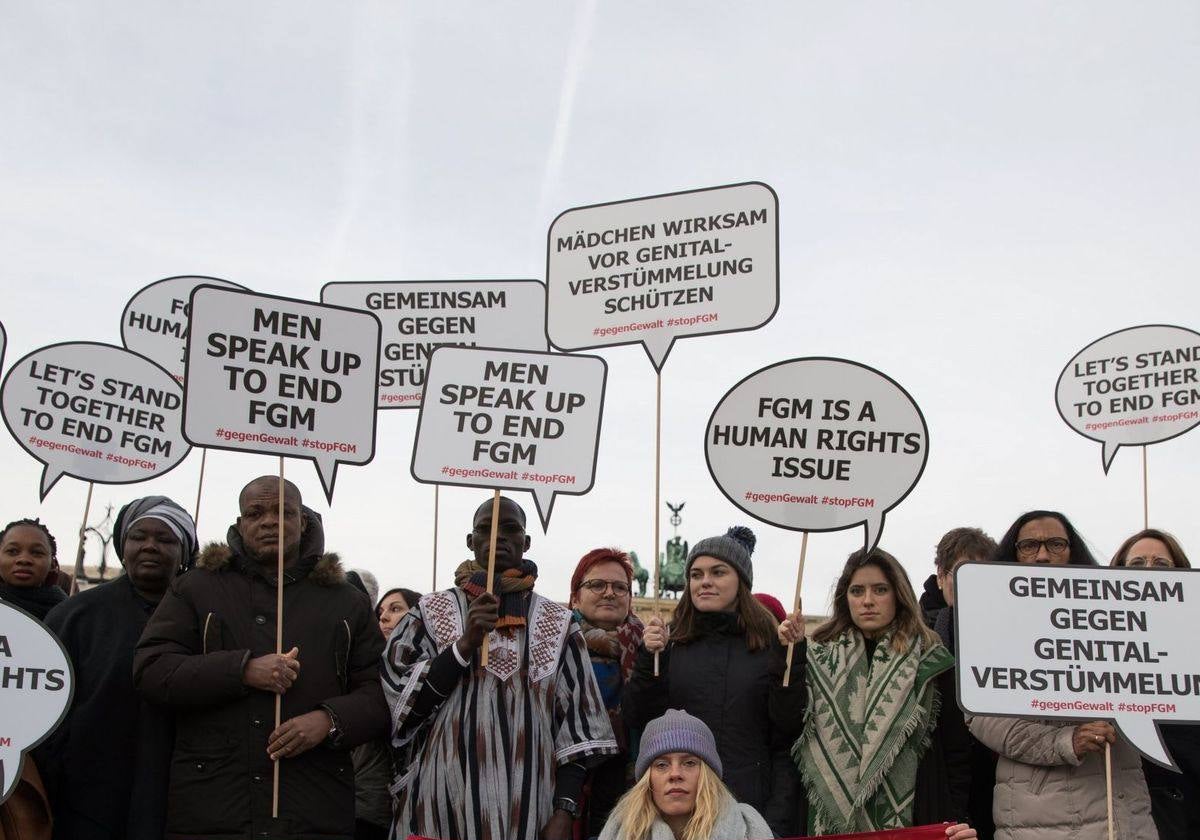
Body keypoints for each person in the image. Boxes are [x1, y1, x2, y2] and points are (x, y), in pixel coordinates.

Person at [133, 476, 390, 840]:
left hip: (313, 806)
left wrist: (328, 720)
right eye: (256, 513)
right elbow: (152, 669)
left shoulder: (345, 600)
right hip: (214, 806)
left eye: (283, 512)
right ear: (240, 524)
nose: (269, 521)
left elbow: (381, 691)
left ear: (302, 521)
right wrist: (241, 670)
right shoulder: (197, 586)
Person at [382, 495, 617, 840]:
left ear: (526, 542)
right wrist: (464, 645)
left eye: (511, 529)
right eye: (484, 529)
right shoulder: (428, 613)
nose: (497, 539)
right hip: (440, 805)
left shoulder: (559, 622)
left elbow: (579, 730)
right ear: (470, 541)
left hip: (529, 814)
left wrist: (564, 810)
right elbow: (401, 708)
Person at [965, 510, 1157, 840]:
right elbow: (983, 719)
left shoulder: (1116, 619)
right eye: (1029, 545)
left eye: (1055, 544)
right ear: (1013, 554)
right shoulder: (989, 624)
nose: (1042, 555)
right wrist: (1066, 741)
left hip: (1122, 808)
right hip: (1037, 814)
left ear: (1073, 552)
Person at [777, 547, 973, 836]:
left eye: (879, 589)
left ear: (898, 594)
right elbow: (784, 724)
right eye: (857, 591)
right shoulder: (816, 657)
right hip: (828, 823)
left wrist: (954, 821)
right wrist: (791, 656)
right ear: (846, 598)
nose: (867, 601)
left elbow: (957, 755)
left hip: (917, 819)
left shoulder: (931, 660)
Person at [623, 526, 800, 837]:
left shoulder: (770, 649)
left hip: (751, 810)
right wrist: (648, 659)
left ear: (741, 582)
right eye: (696, 574)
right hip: (678, 816)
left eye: (718, 572)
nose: (705, 581)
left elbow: (786, 734)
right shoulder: (668, 648)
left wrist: (776, 821)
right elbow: (638, 718)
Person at [35, 496, 196, 840]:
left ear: (185, 552)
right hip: (86, 795)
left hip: (180, 790)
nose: (150, 546)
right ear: (123, 545)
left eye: (165, 539)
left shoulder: (206, 616)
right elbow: (46, 709)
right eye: (139, 537)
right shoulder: (75, 615)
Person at [1110, 529, 1198, 840]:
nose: (1148, 571)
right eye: (1136, 563)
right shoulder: (1098, 642)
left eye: (1161, 564)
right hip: (1124, 803)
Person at [918, 527, 999, 840]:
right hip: (942, 778)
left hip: (995, 777)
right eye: (963, 572)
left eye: (982, 573)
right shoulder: (917, 636)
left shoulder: (1012, 633)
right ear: (941, 576)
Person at [599, 709, 772, 840]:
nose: (675, 774)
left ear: (707, 775)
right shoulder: (619, 832)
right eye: (661, 765)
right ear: (647, 779)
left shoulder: (749, 830)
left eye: (689, 763)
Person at [568, 547, 645, 837]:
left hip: (626, 787)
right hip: (565, 785)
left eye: (619, 587)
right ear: (576, 596)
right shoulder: (553, 645)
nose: (609, 593)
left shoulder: (651, 649)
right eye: (597, 585)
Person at [0, 518, 66, 621]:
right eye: (12, 551)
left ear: (52, 564)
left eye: (36, 552)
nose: (24, 560)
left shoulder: (69, 615)